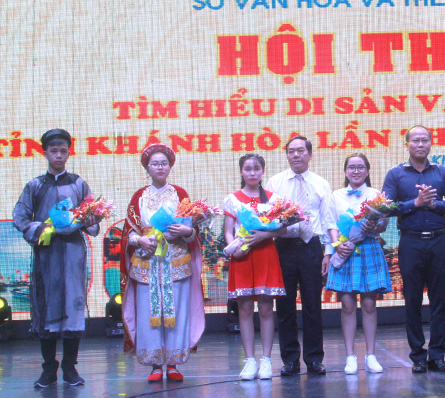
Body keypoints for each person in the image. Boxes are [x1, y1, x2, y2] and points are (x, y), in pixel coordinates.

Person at [13, 129, 103, 388]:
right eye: (54, 151)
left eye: (63, 150)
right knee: (47, 308)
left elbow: (90, 216)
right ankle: (48, 369)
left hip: (73, 253)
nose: (59, 155)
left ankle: (70, 368)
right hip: (46, 254)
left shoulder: (78, 184)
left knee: (73, 308)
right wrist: (40, 228)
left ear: (68, 152)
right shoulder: (35, 186)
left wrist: (92, 220)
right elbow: (20, 217)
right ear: (45, 153)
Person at [119, 143, 205, 382]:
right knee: (149, 313)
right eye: (154, 163)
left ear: (170, 166)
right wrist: (140, 240)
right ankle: (156, 364)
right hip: (147, 262)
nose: (159, 167)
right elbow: (128, 232)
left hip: (176, 261)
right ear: (147, 167)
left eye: (163, 163)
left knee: (177, 311)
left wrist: (186, 231)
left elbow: (192, 232)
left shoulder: (180, 194)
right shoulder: (139, 196)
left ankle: (174, 363)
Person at [382, 125, 445, 373]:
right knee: (412, 300)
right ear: (406, 144)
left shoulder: (442, 172)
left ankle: (437, 355)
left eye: (424, 140)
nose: (420, 144)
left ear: (430, 144)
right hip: (411, 242)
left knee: (439, 299)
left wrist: (433, 204)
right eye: (415, 140)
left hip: (439, 241)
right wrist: (415, 203)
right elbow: (386, 207)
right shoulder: (396, 174)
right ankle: (417, 356)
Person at [265, 136, 333, 376]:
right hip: (283, 247)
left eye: (300, 151)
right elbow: (268, 218)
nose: (296, 155)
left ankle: (314, 359)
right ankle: (290, 360)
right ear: (287, 155)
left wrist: (328, 252)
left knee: (313, 305)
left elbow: (327, 221)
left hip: (312, 247)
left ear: (310, 154)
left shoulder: (321, 184)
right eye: (291, 151)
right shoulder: (275, 182)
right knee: (284, 306)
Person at [326, 153, 392, 375]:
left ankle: (371, 356)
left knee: (369, 305)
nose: (356, 171)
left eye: (360, 167)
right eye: (352, 167)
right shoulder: (336, 195)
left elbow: (383, 225)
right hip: (345, 250)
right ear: (345, 171)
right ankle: (350, 357)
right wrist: (337, 245)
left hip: (368, 248)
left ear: (367, 171)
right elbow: (330, 223)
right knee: (347, 305)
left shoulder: (375, 195)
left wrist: (373, 227)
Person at [223, 153, 286, 380]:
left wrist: (263, 235)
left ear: (262, 171)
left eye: (256, 169)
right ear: (241, 172)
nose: (252, 173)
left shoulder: (273, 198)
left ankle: (267, 360)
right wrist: (235, 248)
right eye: (247, 169)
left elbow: (282, 229)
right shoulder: (233, 199)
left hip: (265, 254)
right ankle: (249, 360)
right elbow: (228, 230)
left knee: (267, 309)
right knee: (245, 309)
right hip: (242, 256)